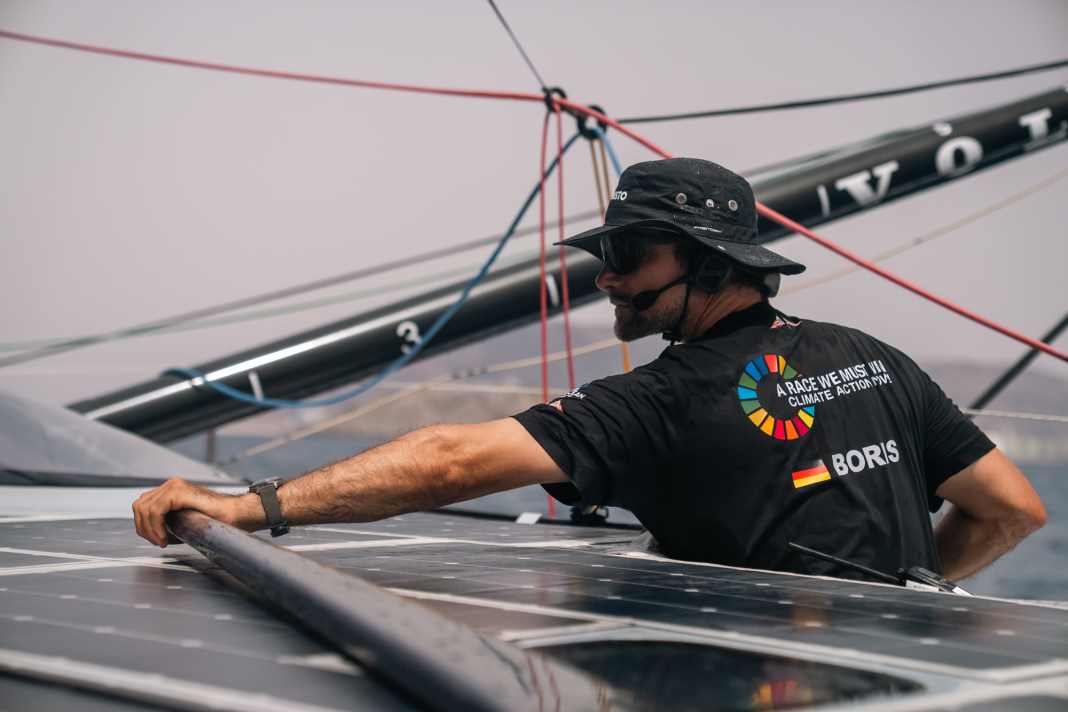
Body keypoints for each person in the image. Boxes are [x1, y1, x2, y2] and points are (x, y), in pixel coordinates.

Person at [133, 158, 1046, 583]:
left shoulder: (666, 399)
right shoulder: (874, 357)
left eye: (629, 255)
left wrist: (247, 507)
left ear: (714, 268)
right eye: (605, 254)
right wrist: (902, 603)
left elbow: (451, 462)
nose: (606, 278)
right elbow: (1012, 509)